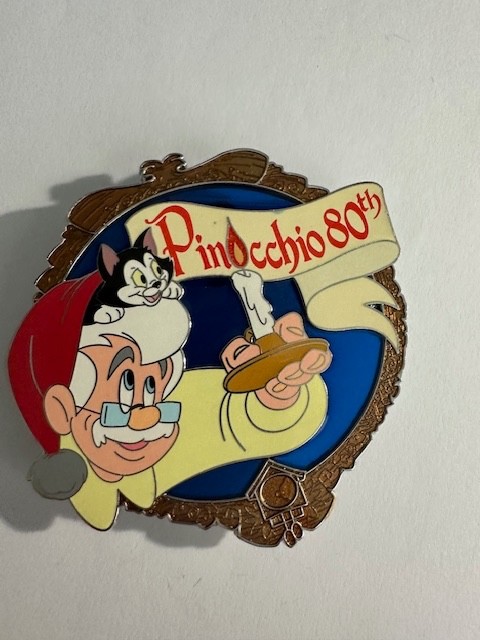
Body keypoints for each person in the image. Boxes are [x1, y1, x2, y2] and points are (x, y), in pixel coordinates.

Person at [9, 272, 332, 530]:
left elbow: (240, 421)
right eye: (126, 383)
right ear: (61, 409)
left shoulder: (177, 409)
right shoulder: (98, 462)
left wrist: (277, 392)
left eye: (152, 386)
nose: (147, 417)